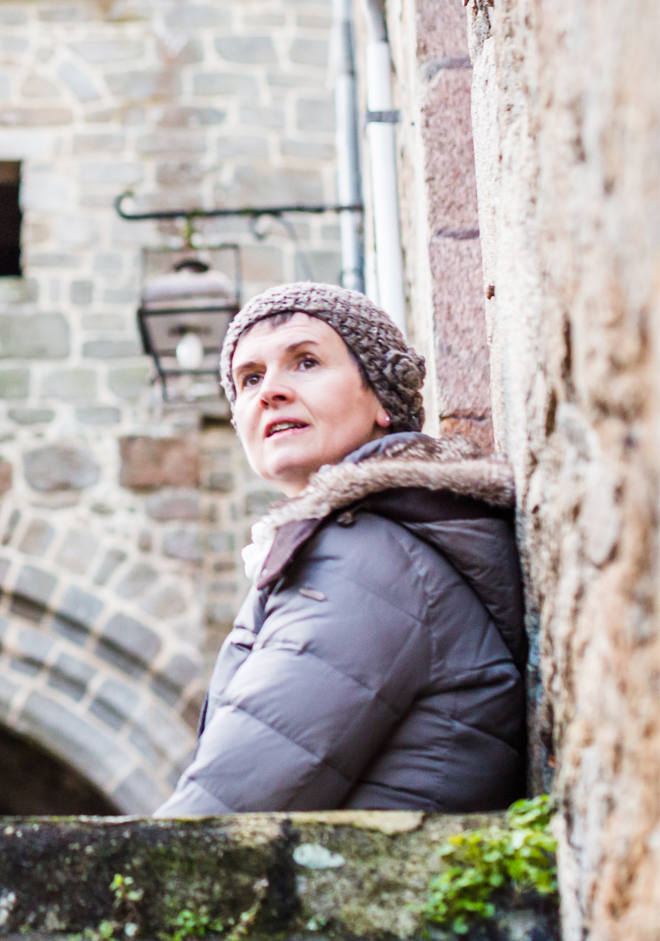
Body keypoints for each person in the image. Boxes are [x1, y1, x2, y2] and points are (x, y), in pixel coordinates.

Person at [158, 282, 526, 814]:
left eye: (305, 362)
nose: (270, 392)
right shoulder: (369, 538)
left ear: (380, 395)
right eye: (250, 378)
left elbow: (227, 805)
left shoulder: (368, 557)